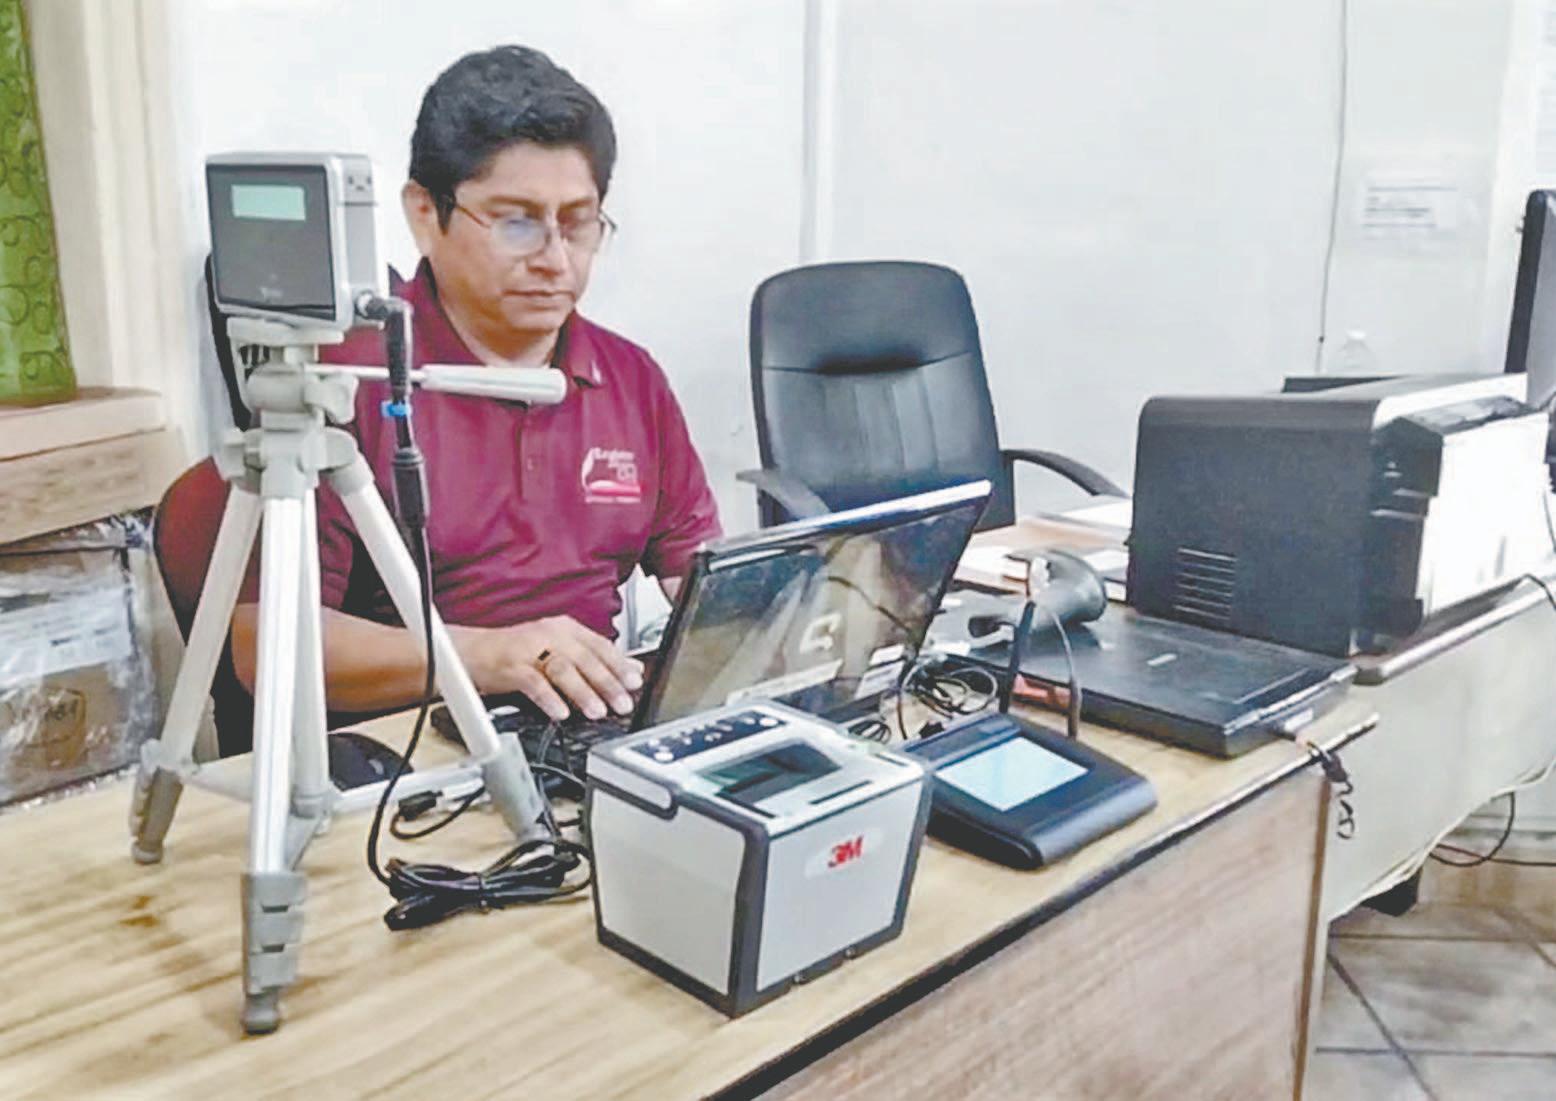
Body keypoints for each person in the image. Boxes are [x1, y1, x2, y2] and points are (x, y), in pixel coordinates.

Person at [230, 45, 721, 728]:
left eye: (577, 224)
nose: (555, 260)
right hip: (414, 742)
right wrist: (490, 656)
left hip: (584, 725)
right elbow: (264, 648)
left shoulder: (630, 378)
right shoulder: (345, 381)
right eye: (517, 222)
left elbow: (702, 583)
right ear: (424, 214)